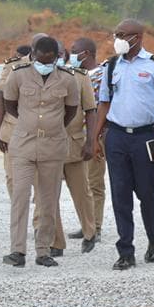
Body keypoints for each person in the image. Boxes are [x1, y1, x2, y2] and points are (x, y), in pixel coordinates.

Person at [92, 19, 154, 270]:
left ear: (137, 37)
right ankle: (125, 251)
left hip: (144, 137)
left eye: (122, 35)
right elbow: (103, 103)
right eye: (115, 34)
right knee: (120, 194)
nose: (117, 39)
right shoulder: (111, 66)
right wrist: (94, 137)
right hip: (116, 136)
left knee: (147, 193)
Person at [1, 37, 80, 267]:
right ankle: (17, 251)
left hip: (53, 147)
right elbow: (9, 104)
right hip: (24, 145)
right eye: (41, 58)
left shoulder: (67, 78)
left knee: (48, 200)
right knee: (20, 197)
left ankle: (43, 250)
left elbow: (71, 110)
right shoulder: (18, 73)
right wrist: (29, 123)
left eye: (50, 59)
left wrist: (52, 128)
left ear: (56, 57)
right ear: (33, 54)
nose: (45, 62)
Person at [42, 43, 99, 256]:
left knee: (81, 192)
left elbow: (91, 111)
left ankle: (90, 232)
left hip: (73, 144)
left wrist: (90, 142)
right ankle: (57, 242)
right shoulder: (34, 77)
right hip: (46, 146)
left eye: (57, 54)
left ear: (63, 55)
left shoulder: (79, 77)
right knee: (49, 196)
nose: (53, 58)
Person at [0, 33, 47, 197]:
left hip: (43, 133)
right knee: (13, 178)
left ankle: (40, 220)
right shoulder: (13, 66)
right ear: (32, 48)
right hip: (14, 131)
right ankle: (19, 216)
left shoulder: (55, 68)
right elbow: (1, 100)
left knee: (43, 182)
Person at [66, 37, 106, 242]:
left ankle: (95, 227)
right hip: (79, 136)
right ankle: (87, 224)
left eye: (74, 51)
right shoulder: (75, 74)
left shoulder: (102, 75)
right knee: (83, 184)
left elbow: (100, 108)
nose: (71, 54)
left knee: (95, 182)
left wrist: (96, 137)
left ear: (86, 53)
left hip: (96, 135)